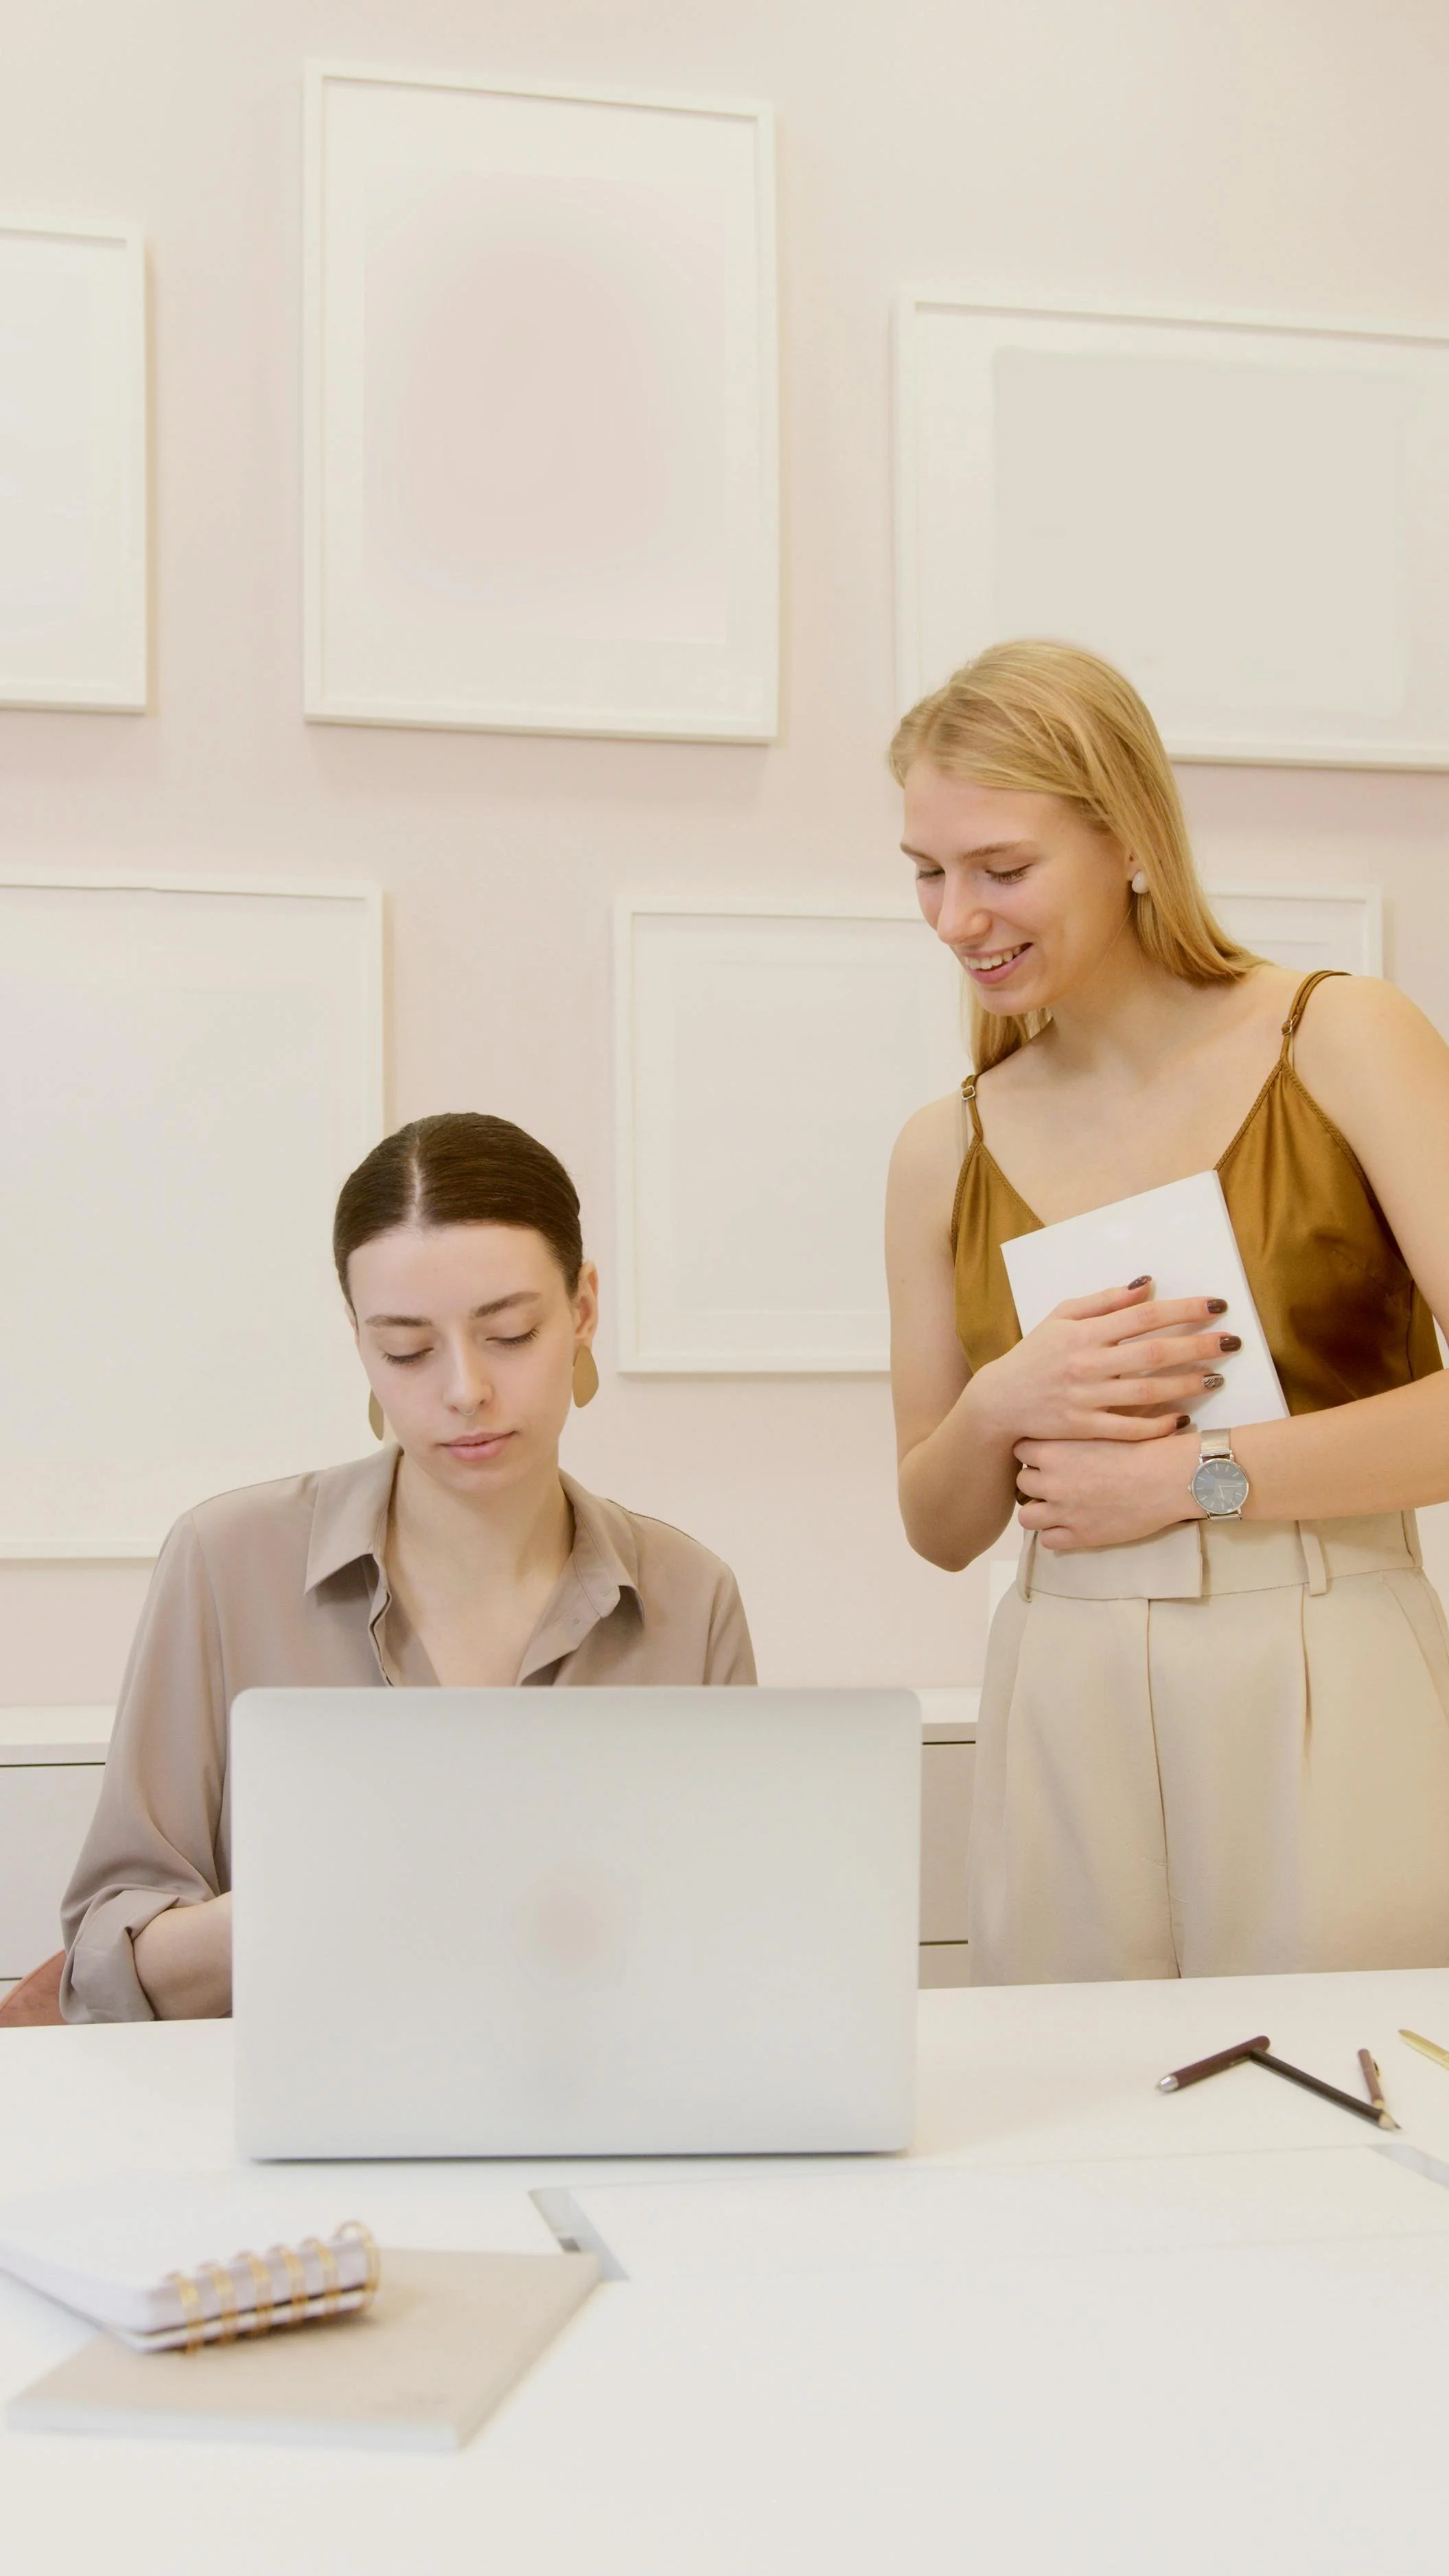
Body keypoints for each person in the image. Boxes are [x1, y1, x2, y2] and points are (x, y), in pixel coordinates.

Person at [885, 638, 1449, 1984]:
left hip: (1321, 1659)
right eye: (924, 874)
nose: (955, 917)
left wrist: (1189, 1479)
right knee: (1075, 2145)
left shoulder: (1340, 1035)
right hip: (1059, 1677)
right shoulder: (938, 1148)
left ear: (1127, 838)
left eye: (999, 870)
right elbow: (935, 1524)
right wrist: (1000, 1402)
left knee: (1352, 2127)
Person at [62, 1113, 754, 2023]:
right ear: (359, 1341)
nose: (464, 1388)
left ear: (582, 1309)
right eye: (407, 1349)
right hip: (302, 2133)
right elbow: (108, 1965)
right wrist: (342, 1897)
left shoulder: (689, 1594)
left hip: (597, 2116)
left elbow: (739, 1949)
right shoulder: (225, 1562)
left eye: (508, 1332)